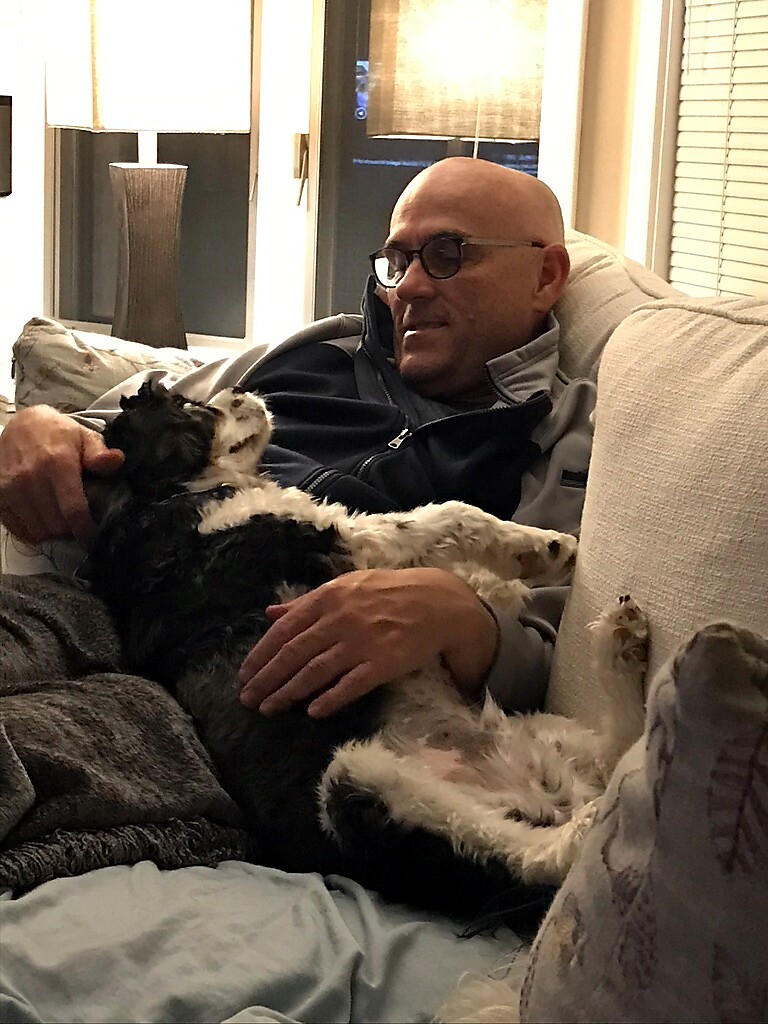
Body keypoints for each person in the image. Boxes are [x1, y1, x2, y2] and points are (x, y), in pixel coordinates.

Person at [0, 157, 592, 721]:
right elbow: (117, 428)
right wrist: (38, 425)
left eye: (446, 255)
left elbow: (558, 645)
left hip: (275, 710)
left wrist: (466, 622)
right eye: (396, 261)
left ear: (545, 277)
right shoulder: (310, 351)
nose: (407, 288)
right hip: (85, 609)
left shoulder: (561, 434)